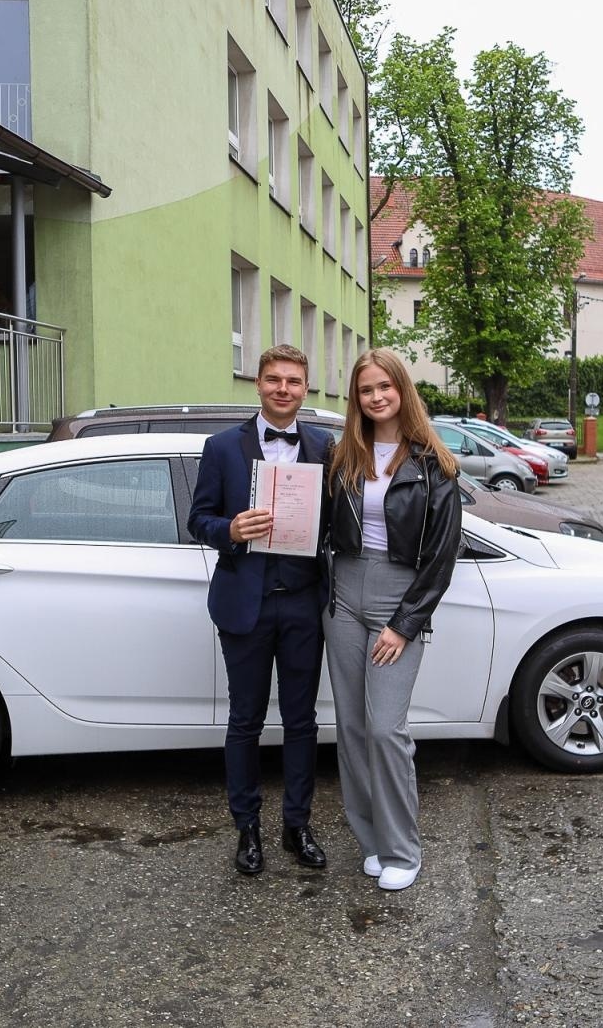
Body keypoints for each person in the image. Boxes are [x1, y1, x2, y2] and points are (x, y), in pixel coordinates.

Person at [188, 345, 335, 876]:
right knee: (244, 721)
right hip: (243, 605)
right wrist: (228, 530)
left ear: (305, 388)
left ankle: (297, 825)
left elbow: (340, 523)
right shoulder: (222, 447)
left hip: (302, 604)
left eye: (294, 381)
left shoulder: (324, 446)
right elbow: (197, 518)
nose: (283, 389)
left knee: (301, 722)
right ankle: (246, 829)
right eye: (274, 379)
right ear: (257, 383)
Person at [324, 348, 462, 892]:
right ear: (356, 399)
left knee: (386, 728)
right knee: (353, 729)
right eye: (365, 390)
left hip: (396, 597)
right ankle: (372, 841)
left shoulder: (434, 464)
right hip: (343, 594)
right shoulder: (346, 456)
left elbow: (441, 557)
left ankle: (403, 848)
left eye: (384, 386)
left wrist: (404, 623)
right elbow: (321, 529)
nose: (376, 396)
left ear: (401, 388)